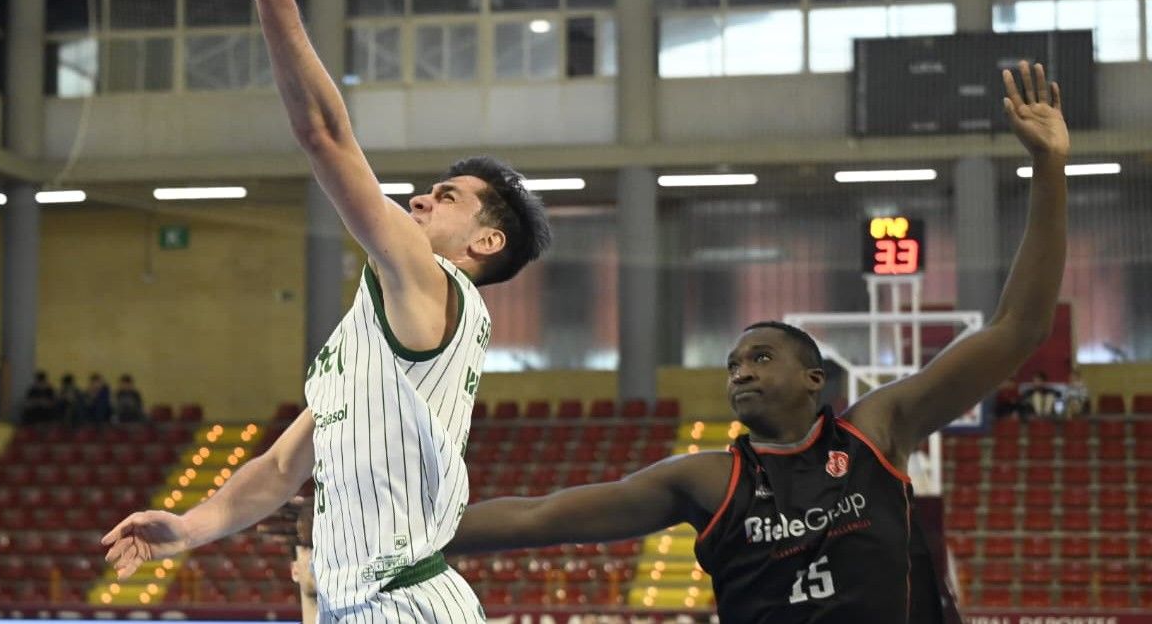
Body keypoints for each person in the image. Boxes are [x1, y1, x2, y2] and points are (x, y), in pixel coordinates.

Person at [444, 62, 1071, 624]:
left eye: (761, 357)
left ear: (814, 379)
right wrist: (401, 538)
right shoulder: (707, 479)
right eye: (734, 363)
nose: (740, 372)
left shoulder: (876, 433)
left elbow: (1018, 327)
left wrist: (1048, 168)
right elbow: (539, 516)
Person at [102, 0, 552, 622]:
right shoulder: (376, 334)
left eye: (445, 197)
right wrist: (190, 526)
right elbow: (281, 470)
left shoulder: (433, 285)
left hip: (404, 606)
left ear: (485, 242)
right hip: (359, 607)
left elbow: (324, 136)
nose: (418, 201)